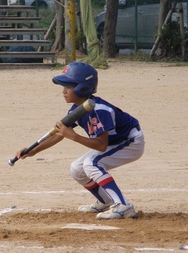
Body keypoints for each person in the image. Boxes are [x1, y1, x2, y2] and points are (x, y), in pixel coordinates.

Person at [15, 62, 145, 219]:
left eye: (68, 87)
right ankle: (106, 201)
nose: (63, 92)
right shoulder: (79, 109)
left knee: (92, 163)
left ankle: (123, 206)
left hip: (131, 142)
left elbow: (101, 145)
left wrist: (73, 136)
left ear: (82, 88)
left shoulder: (99, 110)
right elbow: (58, 134)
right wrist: (33, 151)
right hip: (115, 142)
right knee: (77, 168)